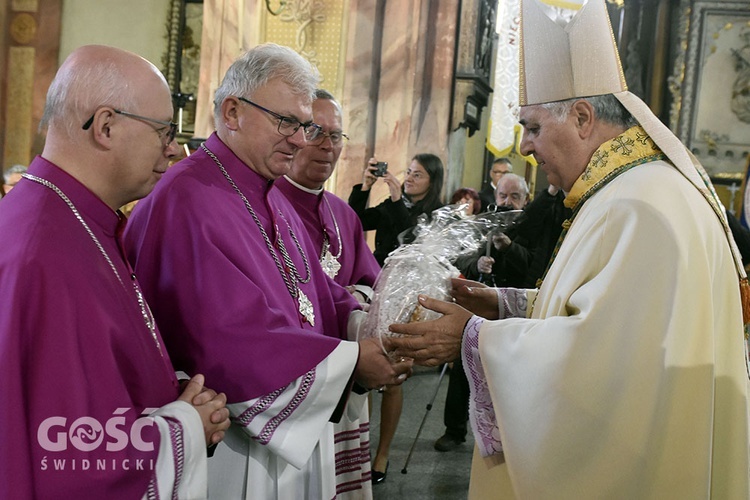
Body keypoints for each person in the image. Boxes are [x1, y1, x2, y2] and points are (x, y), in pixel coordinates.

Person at [386, 0, 750, 498]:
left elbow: (606, 362)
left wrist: (473, 338)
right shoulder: (626, 193)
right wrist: (505, 304)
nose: (527, 148)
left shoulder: (640, 205)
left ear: (582, 117)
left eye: (533, 128)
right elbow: (608, 313)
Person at [124, 43, 412, 499]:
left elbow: (316, 294)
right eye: (287, 122)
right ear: (233, 112)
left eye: (306, 125)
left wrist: (371, 327)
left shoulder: (273, 194)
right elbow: (225, 339)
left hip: (297, 434)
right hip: (239, 446)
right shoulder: (188, 199)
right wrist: (354, 362)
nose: (300, 139)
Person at [0, 44, 230, 500]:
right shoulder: (46, 252)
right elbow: (72, 460)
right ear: (106, 126)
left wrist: (175, 397)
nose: (173, 148)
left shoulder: (74, 218)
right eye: (163, 130)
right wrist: (188, 425)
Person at [275, 88, 381, 498]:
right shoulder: (265, 204)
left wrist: (363, 300)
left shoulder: (344, 214)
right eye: (316, 131)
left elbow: (373, 283)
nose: (327, 146)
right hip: (292, 382)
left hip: (347, 375)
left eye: (336, 135)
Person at [348, 152, 444, 483]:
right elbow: (355, 220)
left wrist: (397, 202)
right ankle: (362, 445)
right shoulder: (393, 202)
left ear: (432, 181)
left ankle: (382, 454)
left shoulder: (436, 212)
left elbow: (415, 243)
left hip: (408, 294)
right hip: (377, 284)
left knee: (393, 375)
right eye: (409, 172)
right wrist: (365, 185)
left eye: (418, 175)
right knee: (367, 368)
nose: (410, 178)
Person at [455, 173, 531, 287]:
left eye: (515, 197)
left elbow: (535, 265)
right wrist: (478, 265)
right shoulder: (483, 223)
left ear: (526, 199)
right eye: (503, 196)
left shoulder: (534, 225)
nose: (507, 202)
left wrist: (510, 248)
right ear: (496, 195)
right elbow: (463, 259)